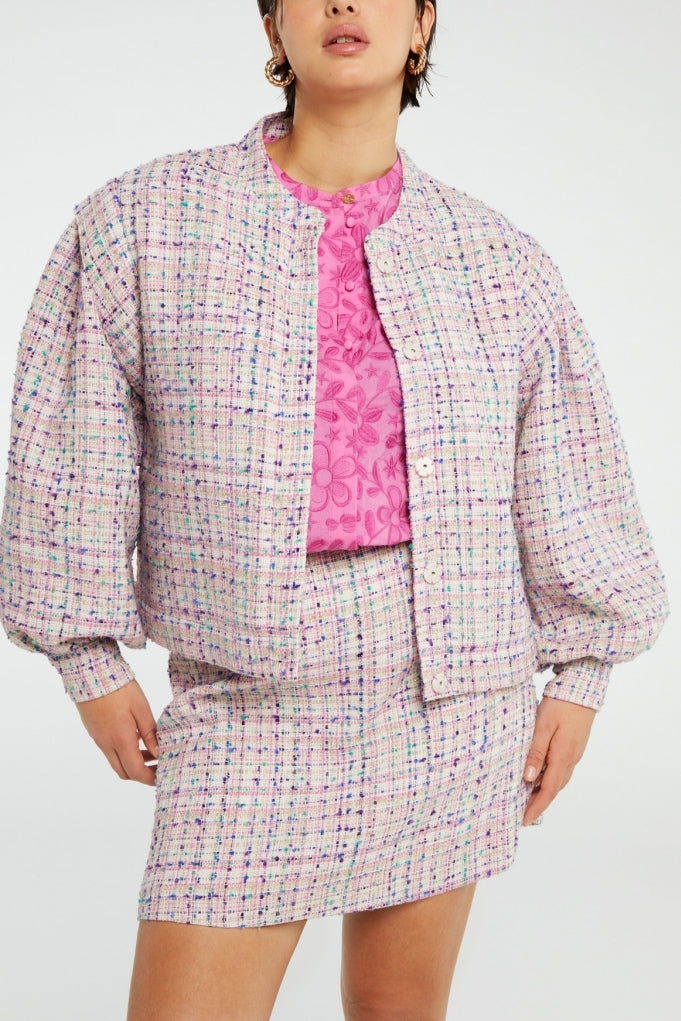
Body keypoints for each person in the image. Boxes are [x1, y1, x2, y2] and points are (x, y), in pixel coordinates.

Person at [0, 1, 670, 1018]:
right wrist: (86, 659)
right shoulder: (142, 222)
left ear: (422, 26)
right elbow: (71, 441)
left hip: (453, 691)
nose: (345, 3)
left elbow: (571, 469)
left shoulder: (498, 258)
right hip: (245, 692)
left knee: (399, 1010)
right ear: (272, 30)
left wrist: (581, 678)